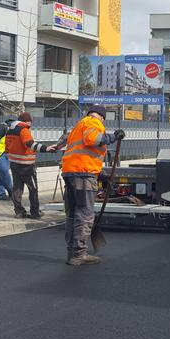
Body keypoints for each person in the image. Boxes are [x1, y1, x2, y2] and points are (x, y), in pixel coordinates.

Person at [60, 105, 124, 266]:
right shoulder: (93, 122)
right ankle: (79, 254)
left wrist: (100, 174)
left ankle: (71, 253)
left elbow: (82, 152)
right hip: (83, 174)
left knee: (72, 215)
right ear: (102, 116)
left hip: (71, 173)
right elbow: (93, 140)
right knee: (84, 214)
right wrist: (113, 137)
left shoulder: (78, 126)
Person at [6, 112, 56, 219]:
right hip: (26, 165)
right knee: (33, 189)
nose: (31, 124)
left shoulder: (10, 130)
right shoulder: (24, 130)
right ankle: (35, 212)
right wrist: (45, 148)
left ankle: (19, 211)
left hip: (14, 163)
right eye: (31, 121)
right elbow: (29, 144)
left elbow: (7, 147)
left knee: (17, 188)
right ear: (27, 121)